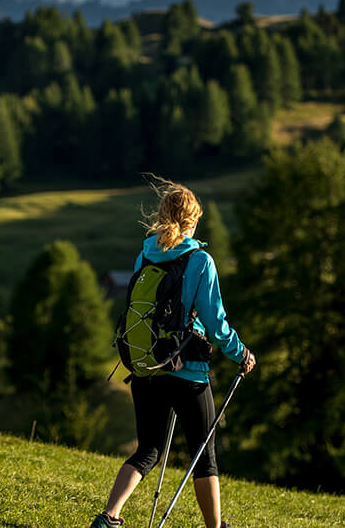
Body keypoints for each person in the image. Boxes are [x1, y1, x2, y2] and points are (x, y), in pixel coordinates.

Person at [91, 180, 256, 528]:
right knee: (203, 456)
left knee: (147, 450)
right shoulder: (199, 260)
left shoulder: (145, 254)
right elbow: (214, 321)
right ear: (193, 222)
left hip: (145, 368)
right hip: (186, 372)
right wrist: (240, 353)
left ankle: (109, 516)